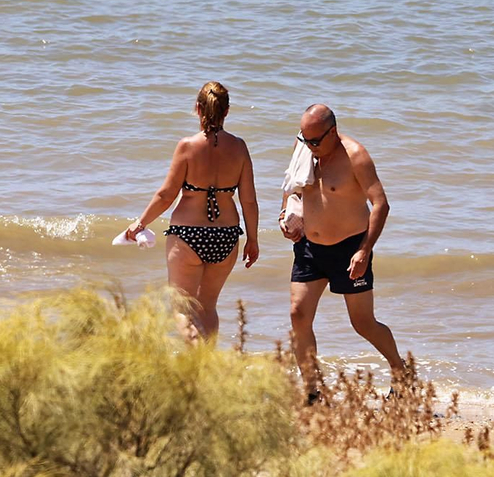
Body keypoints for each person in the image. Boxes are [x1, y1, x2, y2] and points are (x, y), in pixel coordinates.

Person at [280, 103, 407, 400]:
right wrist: (285, 216)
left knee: (362, 323)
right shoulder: (304, 149)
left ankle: (402, 373)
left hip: (350, 248)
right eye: (304, 138)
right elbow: (291, 187)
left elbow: (381, 204)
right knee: (298, 314)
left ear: (333, 132)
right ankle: (312, 391)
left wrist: (364, 251)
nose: (309, 146)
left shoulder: (355, 156)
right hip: (309, 248)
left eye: (315, 141)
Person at [125, 81, 258, 340]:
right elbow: (249, 201)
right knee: (208, 306)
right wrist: (252, 239)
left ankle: (197, 364)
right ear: (227, 111)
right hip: (227, 236)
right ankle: (208, 365)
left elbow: (166, 195)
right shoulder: (239, 147)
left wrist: (140, 224)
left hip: (188, 235)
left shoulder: (187, 146)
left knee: (183, 308)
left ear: (197, 109)